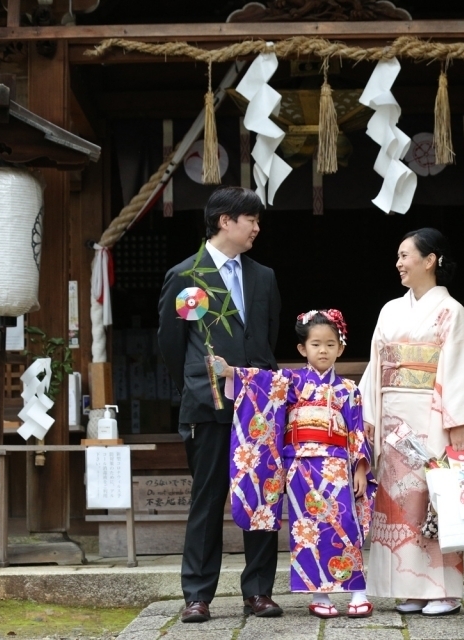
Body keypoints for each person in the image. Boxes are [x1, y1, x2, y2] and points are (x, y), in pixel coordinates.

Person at [157, 186, 282, 623]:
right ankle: (197, 594)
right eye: (251, 219)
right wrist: (195, 385)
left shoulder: (263, 276)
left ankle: (259, 591)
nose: (256, 228)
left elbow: (266, 338)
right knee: (207, 499)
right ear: (225, 221)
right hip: (207, 405)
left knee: (261, 496)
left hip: (257, 406)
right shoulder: (185, 275)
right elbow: (172, 347)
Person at [358, 228, 464, 617]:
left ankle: (443, 590)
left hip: (431, 416)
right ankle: (408, 587)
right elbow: (376, 366)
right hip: (393, 417)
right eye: (398, 257)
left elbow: (460, 368)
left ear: (430, 260)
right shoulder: (390, 310)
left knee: (434, 499)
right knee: (398, 504)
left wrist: (457, 422)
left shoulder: (453, 312)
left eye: (405, 255)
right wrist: (367, 414)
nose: (398, 263)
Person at [214, 309, 377, 619]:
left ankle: (358, 591)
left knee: (346, 526)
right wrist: (230, 373)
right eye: (316, 344)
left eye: (331, 344)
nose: (323, 350)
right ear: (303, 349)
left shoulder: (348, 390)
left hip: (338, 465)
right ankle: (320, 594)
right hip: (300, 466)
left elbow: (356, 430)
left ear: (340, 348)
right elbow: (260, 384)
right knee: (308, 531)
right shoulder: (290, 382)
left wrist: (359, 468)